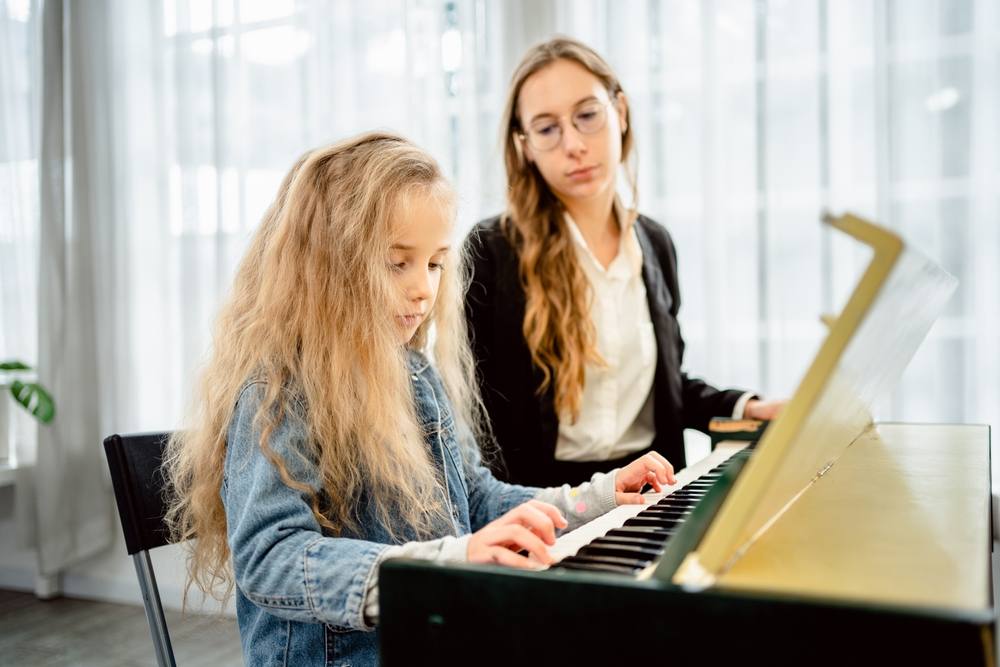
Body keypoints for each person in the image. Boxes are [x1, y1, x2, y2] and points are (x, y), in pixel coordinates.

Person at [164, 132, 677, 667]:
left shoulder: (413, 373)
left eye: (434, 263)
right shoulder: (277, 393)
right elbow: (271, 558)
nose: (424, 289)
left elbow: (477, 501)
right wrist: (446, 562)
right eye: (396, 263)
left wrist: (599, 500)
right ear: (325, 266)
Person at [465, 37, 782, 488]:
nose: (573, 144)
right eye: (547, 128)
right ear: (525, 145)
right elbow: (473, 416)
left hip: (652, 490)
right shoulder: (490, 250)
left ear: (621, 112)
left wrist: (743, 407)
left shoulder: (654, 243)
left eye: (587, 115)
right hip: (545, 505)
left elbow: (664, 390)